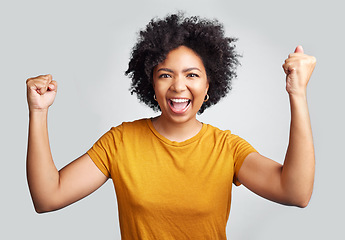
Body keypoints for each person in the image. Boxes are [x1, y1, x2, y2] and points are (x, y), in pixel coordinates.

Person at [26, 13, 316, 239]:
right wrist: (38, 112)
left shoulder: (226, 148)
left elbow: (296, 193)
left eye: (191, 75)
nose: (179, 86)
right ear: (151, 83)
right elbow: (47, 197)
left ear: (208, 85)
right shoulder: (121, 142)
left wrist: (298, 94)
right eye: (165, 75)